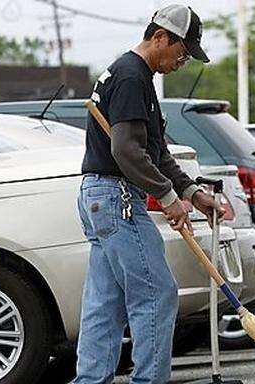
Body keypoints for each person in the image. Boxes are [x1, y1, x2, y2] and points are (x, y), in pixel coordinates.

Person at [74, 4, 223, 383]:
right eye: (182, 52)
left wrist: (190, 191)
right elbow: (125, 151)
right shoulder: (130, 77)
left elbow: (155, 153)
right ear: (160, 37)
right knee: (157, 294)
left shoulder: (135, 77)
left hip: (100, 196)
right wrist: (168, 197)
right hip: (116, 198)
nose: (182, 61)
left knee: (105, 304)